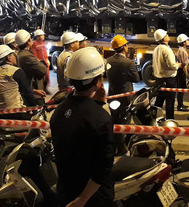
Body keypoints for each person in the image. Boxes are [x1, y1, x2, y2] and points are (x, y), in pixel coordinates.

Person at [50, 47, 115, 207]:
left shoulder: (59, 111)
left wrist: (97, 104)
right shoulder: (100, 118)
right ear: (98, 81)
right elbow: (103, 168)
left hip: (66, 190)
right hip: (92, 197)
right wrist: (83, 199)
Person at [106, 35, 139, 155]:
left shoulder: (108, 60)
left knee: (114, 121)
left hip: (112, 96)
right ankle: (123, 147)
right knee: (125, 122)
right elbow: (136, 79)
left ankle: (115, 146)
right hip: (125, 98)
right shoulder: (128, 63)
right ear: (124, 47)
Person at [0, 44, 45, 119]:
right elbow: (27, 93)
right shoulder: (15, 71)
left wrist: (34, 91)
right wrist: (33, 108)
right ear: (9, 58)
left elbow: (10, 89)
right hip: (14, 113)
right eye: (13, 55)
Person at [153, 29, 180, 119]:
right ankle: (170, 120)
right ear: (163, 38)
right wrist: (178, 65)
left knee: (159, 101)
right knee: (170, 102)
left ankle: (155, 118)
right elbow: (172, 65)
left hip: (159, 79)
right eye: (166, 35)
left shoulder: (156, 49)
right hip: (169, 79)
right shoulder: (167, 49)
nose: (168, 35)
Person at [15, 30, 48, 103]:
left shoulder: (19, 54)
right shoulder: (26, 56)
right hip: (32, 91)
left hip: (27, 89)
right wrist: (40, 62)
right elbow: (43, 70)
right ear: (28, 41)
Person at [31, 29, 50, 93]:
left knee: (47, 76)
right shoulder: (34, 44)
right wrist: (38, 62)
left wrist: (47, 59)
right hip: (40, 63)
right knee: (41, 77)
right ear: (38, 36)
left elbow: (45, 52)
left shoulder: (43, 43)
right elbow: (34, 54)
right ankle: (41, 89)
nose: (44, 36)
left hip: (45, 62)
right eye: (42, 35)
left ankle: (45, 88)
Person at [176, 34, 189, 112]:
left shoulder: (182, 50)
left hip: (181, 71)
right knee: (181, 89)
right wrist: (187, 74)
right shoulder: (182, 51)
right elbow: (184, 64)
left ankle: (180, 104)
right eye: (187, 40)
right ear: (184, 42)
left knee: (181, 89)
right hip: (182, 71)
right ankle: (180, 105)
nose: (188, 41)